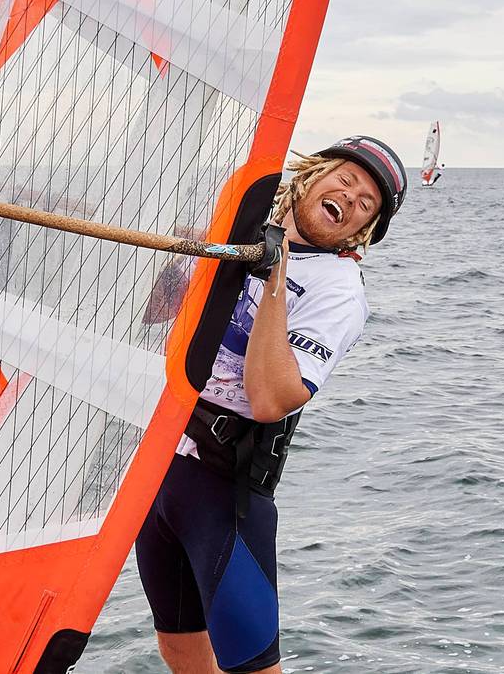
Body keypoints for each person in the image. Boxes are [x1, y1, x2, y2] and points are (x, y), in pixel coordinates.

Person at [136, 135, 407, 674]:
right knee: (180, 649)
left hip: (223, 489)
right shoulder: (242, 227)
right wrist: (185, 256)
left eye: (365, 205)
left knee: (253, 667)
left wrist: (274, 272)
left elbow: (269, 400)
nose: (350, 199)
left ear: (362, 231)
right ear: (313, 174)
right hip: (160, 463)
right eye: (346, 181)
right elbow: (153, 318)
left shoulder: (338, 290)